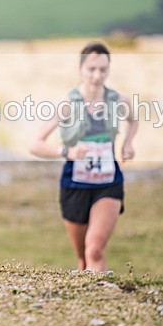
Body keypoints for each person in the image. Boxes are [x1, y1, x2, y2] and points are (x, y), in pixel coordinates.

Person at [29, 42, 137, 271]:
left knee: (94, 250)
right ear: (81, 69)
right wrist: (67, 152)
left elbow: (133, 119)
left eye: (103, 70)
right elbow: (35, 145)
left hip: (108, 182)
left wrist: (128, 142)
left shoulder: (118, 100)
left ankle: (104, 300)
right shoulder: (67, 103)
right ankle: (85, 298)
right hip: (75, 182)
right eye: (92, 69)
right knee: (83, 258)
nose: (97, 75)